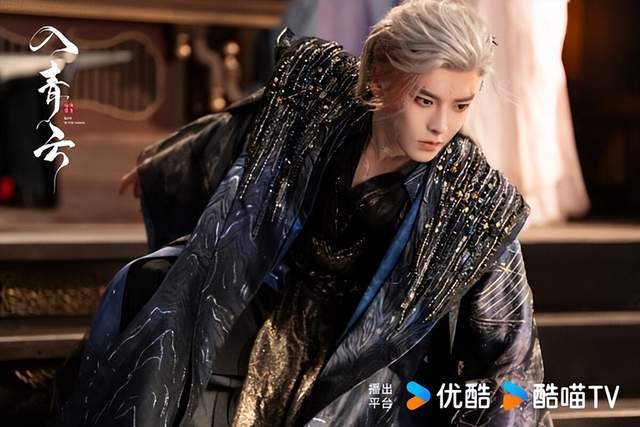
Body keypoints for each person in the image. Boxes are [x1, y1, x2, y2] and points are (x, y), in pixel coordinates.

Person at [62, 1, 552, 426]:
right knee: (151, 288)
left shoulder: (471, 196)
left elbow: (510, 351)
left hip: (364, 350)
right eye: (425, 100)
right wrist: (165, 163)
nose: (441, 125)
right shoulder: (323, 93)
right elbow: (249, 119)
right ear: (380, 76)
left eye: (461, 105)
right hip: (277, 286)